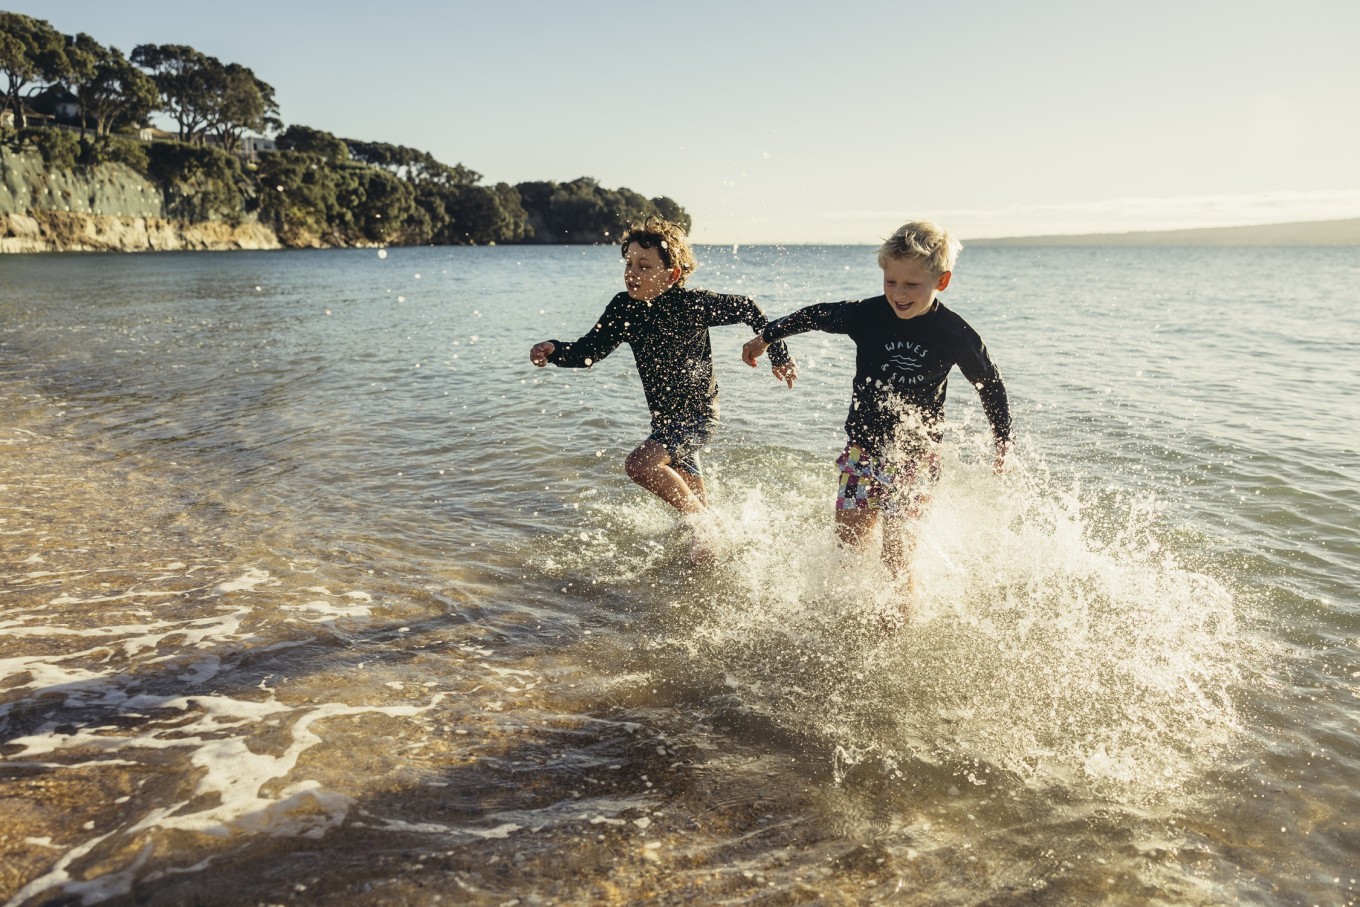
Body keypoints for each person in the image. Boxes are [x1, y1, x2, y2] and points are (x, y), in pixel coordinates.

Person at [741, 220, 1010, 582]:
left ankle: (900, 615)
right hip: (862, 453)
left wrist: (1002, 441)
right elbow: (815, 315)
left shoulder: (954, 333)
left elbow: (990, 384)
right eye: (890, 281)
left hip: (916, 457)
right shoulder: (867, 315)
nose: (899, 293)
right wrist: (766, 338)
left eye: (911, 284)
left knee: (897, 561)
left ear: (941, 281)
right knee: (847, 550)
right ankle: (852, 615)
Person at [529, 216, 797, 557]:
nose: (632, 273)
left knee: (640, 465)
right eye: (629, 264)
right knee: (699, 541)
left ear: (672, 275)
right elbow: (588, 352)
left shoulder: (692, 304)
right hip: (666, 421)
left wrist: (778, 354)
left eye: (644, 266)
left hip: (698, 416)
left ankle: (707, 525)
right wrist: (554, 350)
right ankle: (717, 546)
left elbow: (748, 307)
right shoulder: (624, 309)